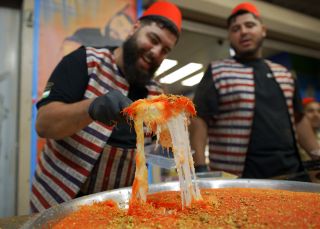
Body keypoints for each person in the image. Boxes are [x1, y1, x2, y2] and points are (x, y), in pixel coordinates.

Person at [31, 1, 182, 212]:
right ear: (135, 28)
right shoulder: (85, 61)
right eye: (153, 39)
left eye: (165, 50)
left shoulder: (156, 95)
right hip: (57, 201)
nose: (156, 52)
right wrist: (91, 107)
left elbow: (156, 152)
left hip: (115, 209)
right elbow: (44, 124)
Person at [190, 2, 320, 180]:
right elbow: (199, 118)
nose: (243, 31)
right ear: (230, 36)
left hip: (292, 172)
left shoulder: (285, 74)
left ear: (263, 30)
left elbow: (299, 119)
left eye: (250, 25)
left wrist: (316, 154)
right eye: (235, 28)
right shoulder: (218, 71)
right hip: (239, 179)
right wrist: (199, 168)